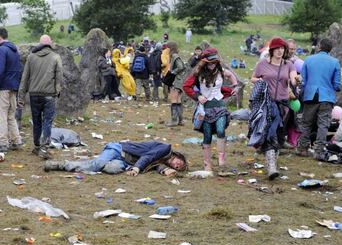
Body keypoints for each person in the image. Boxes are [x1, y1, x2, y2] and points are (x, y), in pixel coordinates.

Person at [250, 37, 298, 179]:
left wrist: (297, 80)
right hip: (266, 103)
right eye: (277, 49)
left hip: (283, 103)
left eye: (282, 49)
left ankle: (272, 163)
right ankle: (271, 167)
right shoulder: (262, 64)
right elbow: (253, 78)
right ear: (271, 50)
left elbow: (293, 78)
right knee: (271, 129)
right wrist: (259, 81)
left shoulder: (289, 64)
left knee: (277, 133)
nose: (280, 51)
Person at [183, 48, 238, 171]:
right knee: (207, 136)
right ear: (205, 62)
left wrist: (235, 87)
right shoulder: (198, 73)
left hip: (220, 106)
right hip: (206, 109)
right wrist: (197, 96)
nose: (212, 64)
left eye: (215, 62)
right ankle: (207, 163)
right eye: (210, 62)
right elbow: (186, 86)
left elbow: (230, 75)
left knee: (220, 130)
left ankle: (221, 158)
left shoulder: (221, 72)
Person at [18, 35, 63, 159]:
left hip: (34, 95)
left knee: (36, 121)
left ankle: (37, 146)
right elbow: (59, 77)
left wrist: (21, 96)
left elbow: (25, 78)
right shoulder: (55, 57)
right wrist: (57, 91)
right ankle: (44, 148)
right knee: (47, 121)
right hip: (49, 95)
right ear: (50, 44)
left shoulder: (31, 57)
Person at [297, 38, 341, 159]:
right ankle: (319, 151)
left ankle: (303, 149)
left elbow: (303, 81)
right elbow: (337, 85)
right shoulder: (335, 62)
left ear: (319, 46)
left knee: (306, 123)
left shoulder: (309, 59)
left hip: (310, 95)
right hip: (326, 97)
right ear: (330, 49)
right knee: (323, 125)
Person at [44, 141, 187, 176]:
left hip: (124, 162)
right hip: (118, 149)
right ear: (177, 156)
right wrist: (137, 168)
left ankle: (100, 162)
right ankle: (60, 165)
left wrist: (165, 171)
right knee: (97, 165)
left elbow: (155, 164)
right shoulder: (166, 149)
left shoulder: (162, 160)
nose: (176, 166)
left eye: (177, 168)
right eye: (178, 163)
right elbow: (148, 157)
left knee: (113, 169)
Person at [0, 27, 23, 153]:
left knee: (2, 116)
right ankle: (16, 140)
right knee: (11, 115)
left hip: (3, 87)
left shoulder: (1, 50)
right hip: (13, 87)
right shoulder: (14, 50)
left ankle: (2, 143)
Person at [166, 41, 186, 127]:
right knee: (178, 100)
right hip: (180, 80)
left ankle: (174, 121)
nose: (166, 49)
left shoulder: (174, 56)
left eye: (167, 47)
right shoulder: (176, 56)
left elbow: (181, 67)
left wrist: (172, 73)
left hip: (176, 81)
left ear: (170, 48)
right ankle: (180, 120)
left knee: (174, 100)